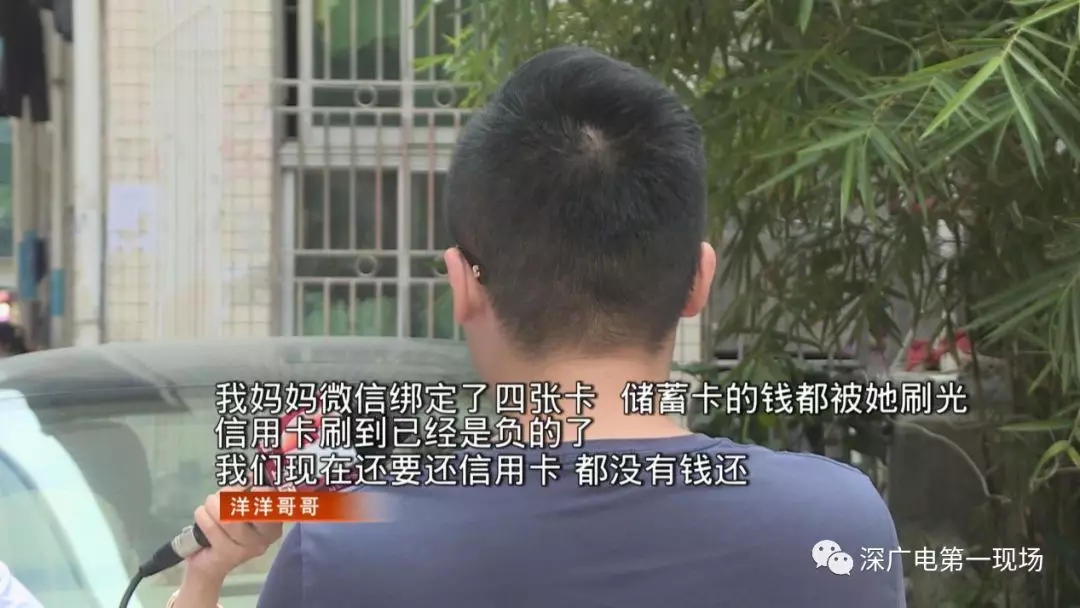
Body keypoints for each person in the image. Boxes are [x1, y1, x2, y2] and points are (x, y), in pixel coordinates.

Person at [172, 46, 906, 607]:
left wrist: (202, 583)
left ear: (463, 286)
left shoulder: (344, 557)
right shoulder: (837, 526)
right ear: (698, 281)